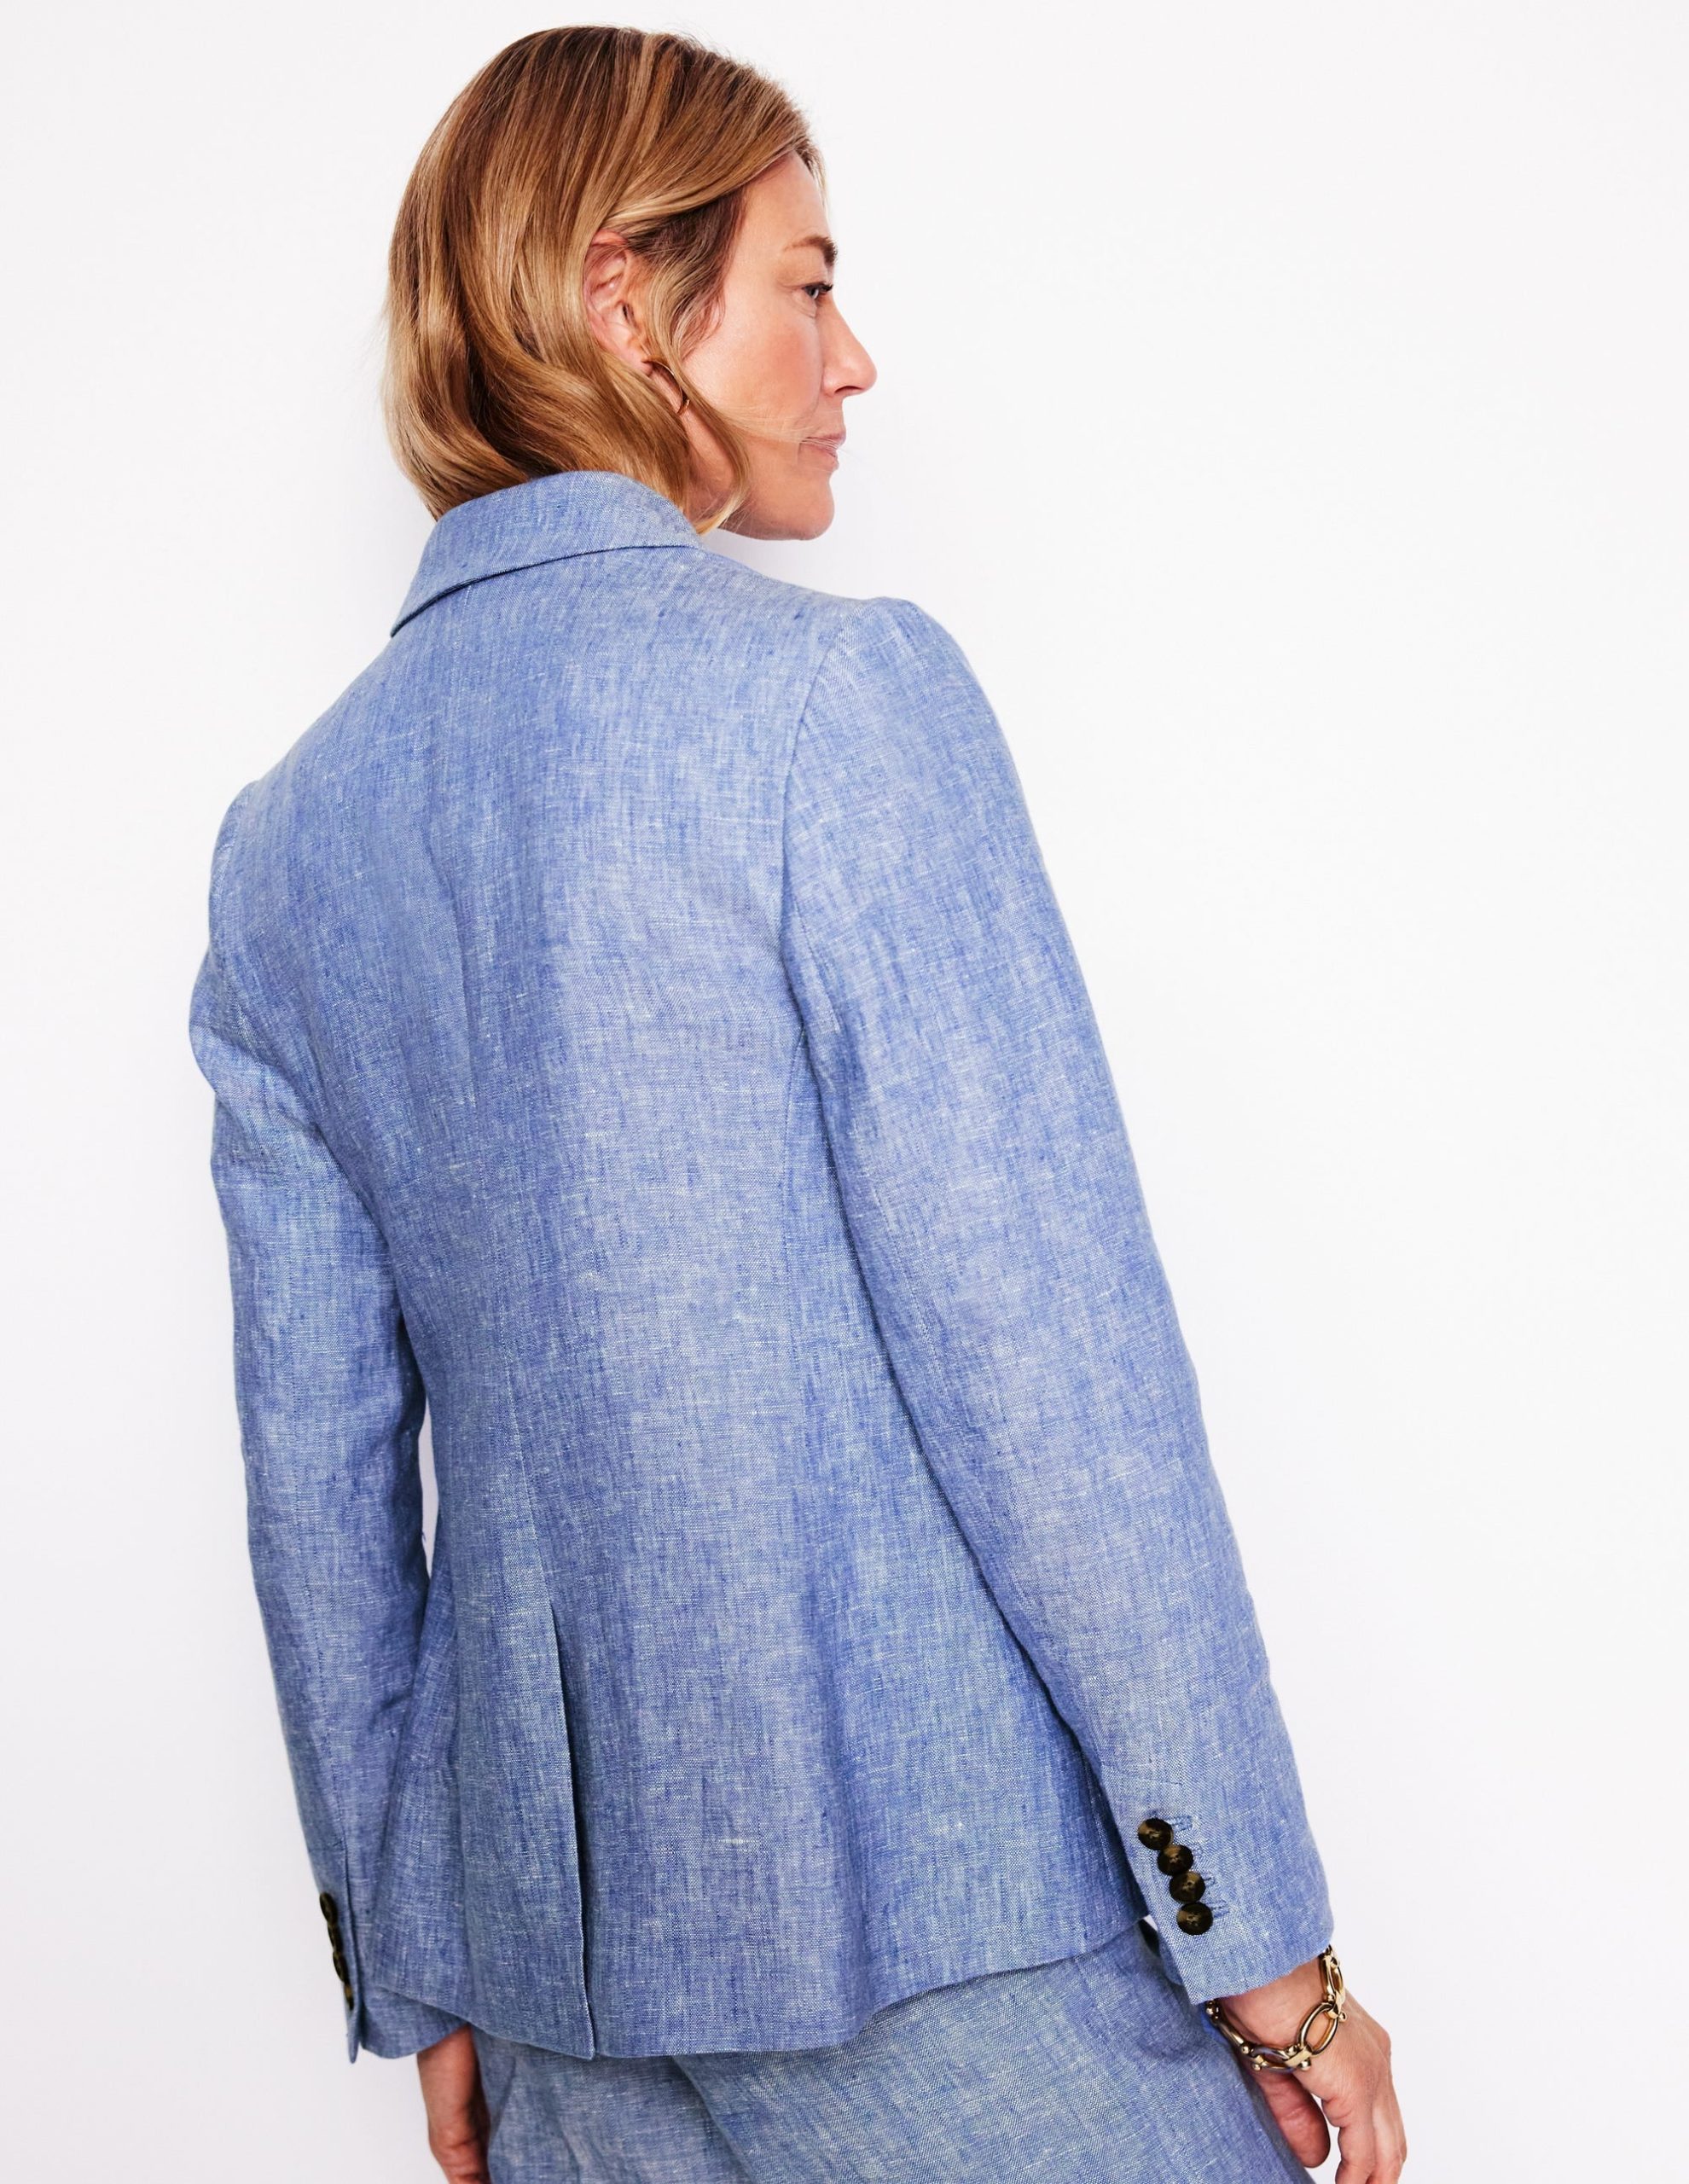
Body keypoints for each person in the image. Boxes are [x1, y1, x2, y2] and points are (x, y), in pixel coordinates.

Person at [189, 26, 1405, 2183]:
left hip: (559, 2012)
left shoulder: (287, 848)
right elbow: (1055, 1377)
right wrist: (1269, 1952)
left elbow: (319, 1502)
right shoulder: (841, 704)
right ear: (624, 299)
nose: (855, 360)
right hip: (951, 1946)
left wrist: (423, 1965)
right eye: (809, 282)